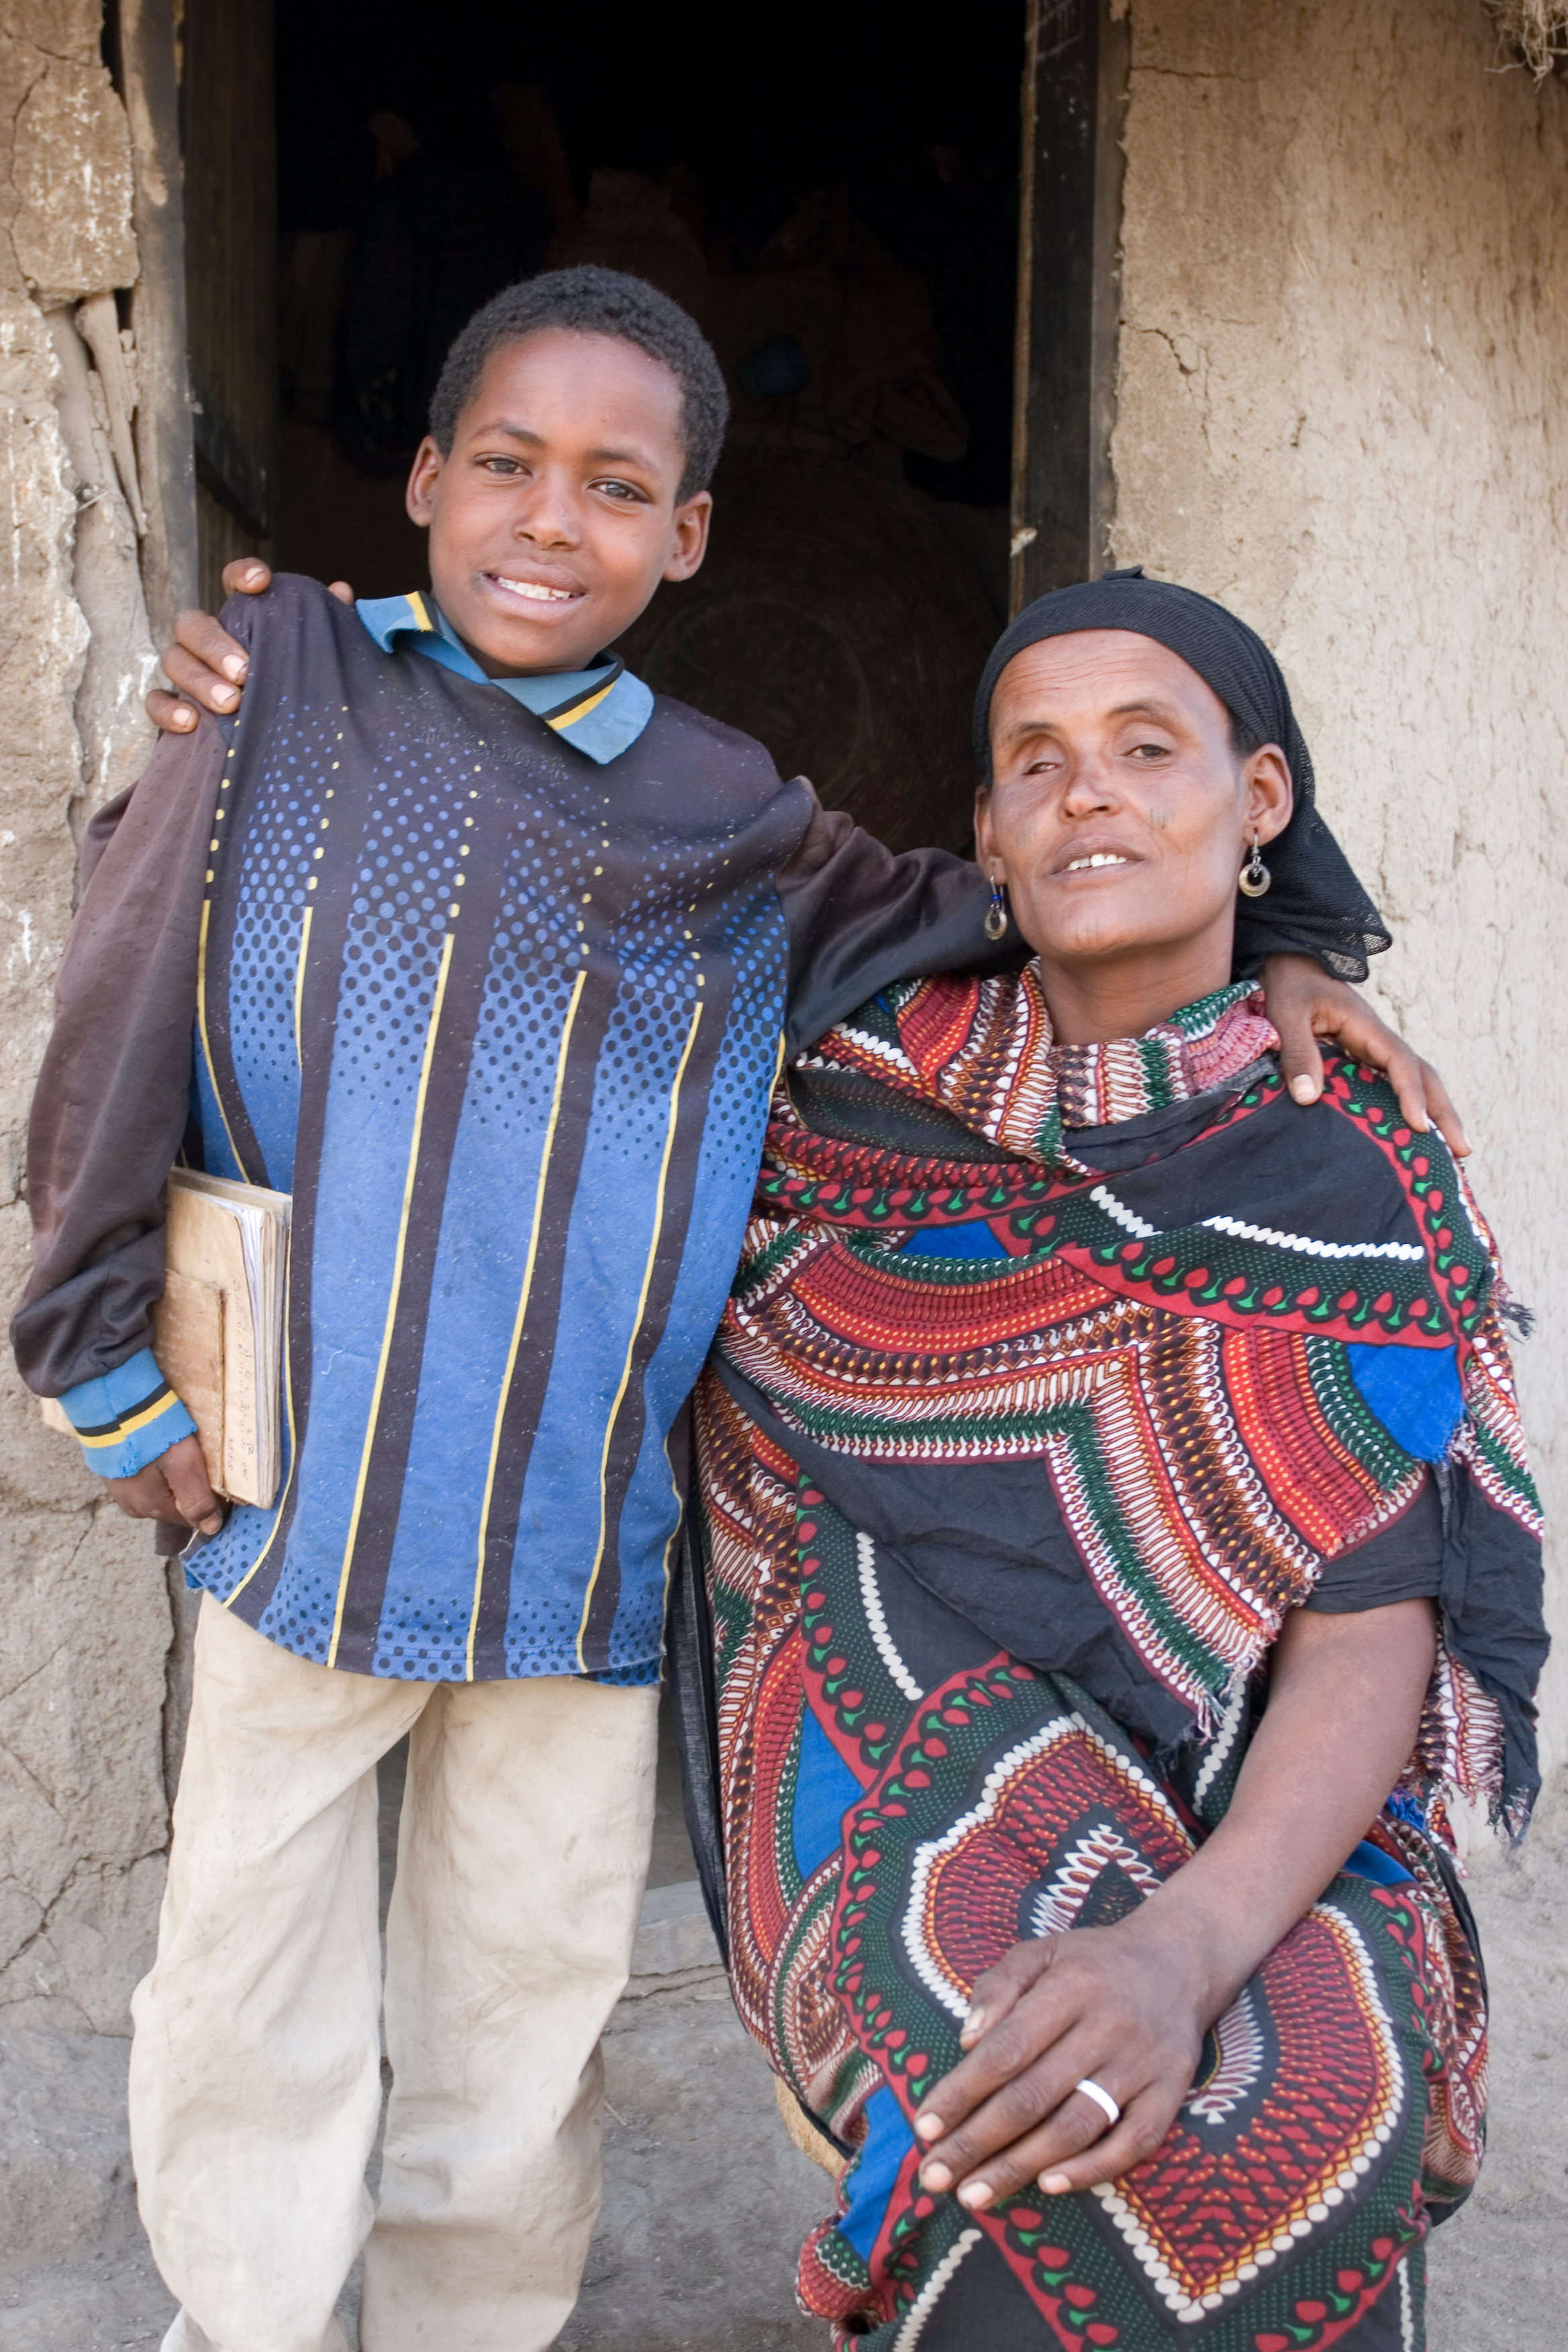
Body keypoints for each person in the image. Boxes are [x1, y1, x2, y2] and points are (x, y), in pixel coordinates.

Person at [17, 254, 1462, 2351]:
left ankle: (464, 2331)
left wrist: (1298, 945)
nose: (548, 519)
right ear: (419, 481)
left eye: (616, 486)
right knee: (245, 1982)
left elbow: (1028, 899)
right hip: (295, 1500)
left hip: (585, 1545)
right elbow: (118, 1009)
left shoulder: (736, 817)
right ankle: (238, 2325)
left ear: (689, 538)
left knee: (523, 2011)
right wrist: (97, 1363)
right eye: (504, 464)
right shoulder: (283, 694)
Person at [679, 573, 1546, 2351]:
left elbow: (1368, 1630)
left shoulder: (1344, 1173)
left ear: (1261, 805)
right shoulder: (844, 1107)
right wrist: (297, 674)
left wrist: (1185, 1946)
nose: (1091, 790)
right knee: (1031, 2137)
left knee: (1301, 2122)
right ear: (986, 839)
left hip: (1265, 1797)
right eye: (1039, 761)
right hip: (882, 1730)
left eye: (1148, 750)